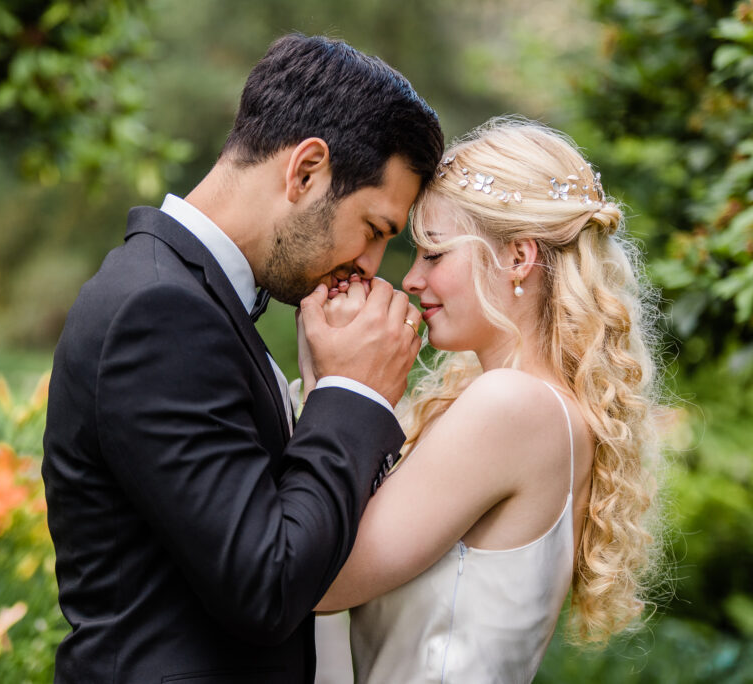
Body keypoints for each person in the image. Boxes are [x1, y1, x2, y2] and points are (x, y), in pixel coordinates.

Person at [40, 34, 443, 682]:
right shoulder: (160, 313)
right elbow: (266, 583)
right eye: (374, 229)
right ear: (306, 169)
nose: (371, 267)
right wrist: (353, 393)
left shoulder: (188, 297)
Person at [309, 117, 662, 683]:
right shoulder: (542, 408)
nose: (411, 280)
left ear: (518, 258)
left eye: (434, 254)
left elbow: (311, 579)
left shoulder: (512, 406)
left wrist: (336, 379)